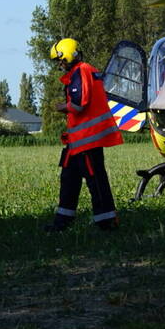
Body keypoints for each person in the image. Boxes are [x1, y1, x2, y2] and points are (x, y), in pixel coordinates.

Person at [44, 38, 122, 232]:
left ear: (69, 55)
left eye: (61, 60)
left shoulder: (81, 71)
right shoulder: (84, 71)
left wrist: (63, 107)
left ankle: (106, 222)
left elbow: (79, 103)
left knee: (96, 180)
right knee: (69, 178)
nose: (60, 65)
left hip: (87, 140)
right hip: (77, 141)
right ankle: (62, 222)